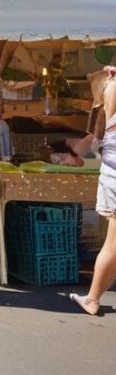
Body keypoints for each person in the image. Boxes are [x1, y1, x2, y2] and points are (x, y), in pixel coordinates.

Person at [71, 68, 116, 315]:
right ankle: (92, 297)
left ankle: (93, 298)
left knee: (113, 243)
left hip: (112, 171)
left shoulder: (109, 88)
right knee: (113, 243)